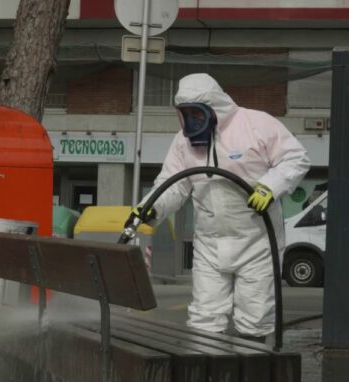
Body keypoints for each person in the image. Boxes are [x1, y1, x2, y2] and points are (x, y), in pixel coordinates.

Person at [129, 73, 310, 342]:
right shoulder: (183, 142)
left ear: (214, 109)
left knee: (255, 318)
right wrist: (151, 207)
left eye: (197, 113)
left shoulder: (256, 124)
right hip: (210, 245)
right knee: (204, 317)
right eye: (185, 113)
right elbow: (172, 183)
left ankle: (251, 374)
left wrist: (270, 187)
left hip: (257, 242)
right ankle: (207, 376)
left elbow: (295, 158)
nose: (191, 121)